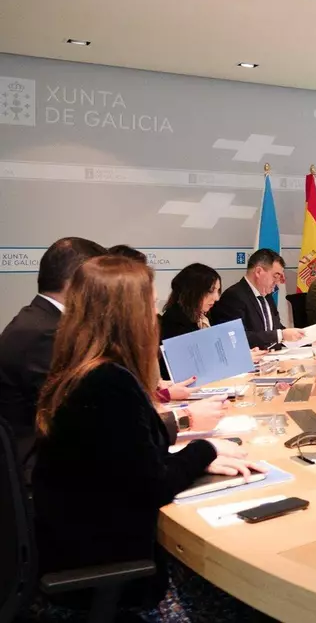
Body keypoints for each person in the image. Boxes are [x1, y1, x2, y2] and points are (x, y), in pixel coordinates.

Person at [30, 255, 267, 620]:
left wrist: (193, 458)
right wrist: (205, 449)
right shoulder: (108, 384)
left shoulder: (79, 370)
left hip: (81, 543)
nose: (155, 314)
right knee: (248, 603)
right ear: (128, 315)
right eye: (150, 303)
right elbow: (153, 484)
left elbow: (126, 464)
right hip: (114, 570)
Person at [0, 237, 105, 462]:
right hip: (43, 464)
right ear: (74, 282)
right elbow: (76, 414)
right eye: (98, 282)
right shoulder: (44, 333)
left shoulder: (40, 320)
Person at [208, 248, 303, 348]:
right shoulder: (233, 296)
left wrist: (298, 336)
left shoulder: (267, 296)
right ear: (258, 272)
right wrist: (280, 335)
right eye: (275, 276)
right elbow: (236, 337)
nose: (278, 282)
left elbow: (275, 328)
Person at [160, 263, 223, 341]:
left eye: (218, 291)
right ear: (192, 292)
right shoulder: (175, 322)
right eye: (210, 291)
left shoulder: (205, 315)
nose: (217, 298)